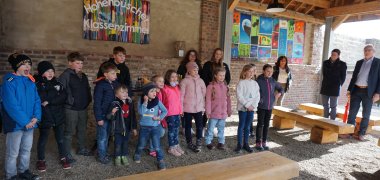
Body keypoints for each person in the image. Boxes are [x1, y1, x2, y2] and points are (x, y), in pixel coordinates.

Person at [2, 53, 41, 180]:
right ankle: (11, 175)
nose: (27, 66)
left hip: (30, 123)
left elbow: (36, 100)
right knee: (13, 153)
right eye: (24, 64)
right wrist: (25, 121)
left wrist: (36, 117)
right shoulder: (9, 82)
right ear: (16, 66)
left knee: (26, 149)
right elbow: (11, 105)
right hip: (16, 124)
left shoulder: (30, 81)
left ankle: (24, 171)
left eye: (29, 64)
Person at [34, 61, 70, 172]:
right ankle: (41, 160)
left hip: (58, 116)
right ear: (41, 73)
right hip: (46, 116)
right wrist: (51, 100)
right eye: (47, 71)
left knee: (60, 139)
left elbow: (64, 96)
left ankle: (63, 157)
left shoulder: (57, 83)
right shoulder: (38, 84)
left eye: (52, 71)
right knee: (43, 140)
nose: (50, 73)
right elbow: (41, 99)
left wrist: (49, 101)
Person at [59, 52, 92, 163]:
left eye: (81, 63)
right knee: (68, 132)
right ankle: (66, 154)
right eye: (77, 63)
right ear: (70, 63)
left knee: (82, 130)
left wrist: (88, 100)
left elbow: (87, 90)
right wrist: (69, 102)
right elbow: (60, 92)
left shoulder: (84, 76)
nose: (80, 65)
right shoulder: (65, 75)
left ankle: (81, 148)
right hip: (70, 109)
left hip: (82, 108)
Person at [344, 44, 380, 141]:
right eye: (365, 50)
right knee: (352, 113)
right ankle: (349, 132)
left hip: (369, 92)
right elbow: (354, 77)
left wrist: (378, 93)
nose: (366, 52)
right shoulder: (359, 62)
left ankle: (361, 133)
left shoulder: (378, 62)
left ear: (373, 51)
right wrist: (349, 90)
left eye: (369, 50)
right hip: (356, 90)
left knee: (366, 114)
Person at [134, 82, 168, 170]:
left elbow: (165, 111)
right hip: (144, 128)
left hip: (155, 127)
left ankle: (160, 160)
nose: (154, 93)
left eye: (155, 91)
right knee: (141, 144)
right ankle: (137, 154)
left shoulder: (157, 101)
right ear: (146, 93)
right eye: (152, 91)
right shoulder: (141, 101)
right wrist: (145, 102)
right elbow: (141, 112)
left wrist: (159, 118)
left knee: (157, 146)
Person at [93, 62, 120, 164]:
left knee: (107, 135)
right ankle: (101, 156)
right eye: (113, 73)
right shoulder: (100, 86)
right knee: (102, 137)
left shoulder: (115, 84)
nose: (115, 76)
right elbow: (97, 103)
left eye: (115, 73)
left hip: (111, 115)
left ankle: (103, 152)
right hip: (103, 116)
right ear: (105, 74)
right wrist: (99, 118)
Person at [201, 48, 231, 133]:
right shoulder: (208, 64)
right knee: (209, 107)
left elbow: (228, 78)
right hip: (211, 89)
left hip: (220, 90)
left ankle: (214, 128)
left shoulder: (224, 65)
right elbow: (204, 77)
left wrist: (222, 85)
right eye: (216, 53)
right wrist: (212, 85)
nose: (218, 55)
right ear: (214, 54)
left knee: (218, 110)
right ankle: (203, 126)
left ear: (222, 55)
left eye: (220, 54)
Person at [255, 64, 284, 151]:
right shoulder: (258, 81)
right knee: (260, 124)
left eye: (271, 72)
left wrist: (279, 93)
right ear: (263, 71)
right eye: (268, 71)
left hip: (270, 106)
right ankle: (258, 142)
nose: (269, 73)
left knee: (267, 125)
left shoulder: (273, 81)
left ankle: (264, 141)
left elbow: (281, 89)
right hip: (261, 106)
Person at [107, 85, 137, 166]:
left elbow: (133, 116)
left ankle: (123, 156)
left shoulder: (130, 103)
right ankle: (117, 157)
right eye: (122, 92)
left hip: (127, 128)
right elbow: (109, 117)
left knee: (125, 143)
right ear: (116, 95)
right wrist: (112, 112)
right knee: (118, 143)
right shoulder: (114, 104)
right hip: (118, 129)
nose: (125, 93)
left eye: (126, 92)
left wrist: (134, 128)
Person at [180, 62, 206, 153]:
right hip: (187, 109)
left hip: (198, 108)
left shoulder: (201, 81)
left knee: (199, 126)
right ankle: (189, 142)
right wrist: (181, 108)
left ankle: (199, 141)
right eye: (194, 70)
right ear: (189, 71)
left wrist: (203, 107)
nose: (196, 71)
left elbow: (204, 94)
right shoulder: (184, 81)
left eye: (197, 70)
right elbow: (181, 96)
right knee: (188, 126)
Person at [235, 64, 260, 153]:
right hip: (243, 108)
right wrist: (247, 105)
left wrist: (253, 106)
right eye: (249, 71)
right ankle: (239, 144)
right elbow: (239, 96)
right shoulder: (241, 83)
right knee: (241, 126)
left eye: (253, 71)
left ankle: (246, 143)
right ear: (245, 72)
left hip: (251, 109)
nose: (251, 73)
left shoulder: (255, 84)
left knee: (248, 126)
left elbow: (257, 96)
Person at [205, 67, 231, 150]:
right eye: (220, 75)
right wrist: (208, 111)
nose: (222, 77)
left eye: (223, 75)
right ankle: (208, 141)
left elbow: (228, 99)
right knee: (210, 128)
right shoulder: (210, 87)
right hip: (213, 112)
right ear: (215, 75)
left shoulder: (226, 87)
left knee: (221, 129)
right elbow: (208, 100)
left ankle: (221, 142)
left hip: (223, 113)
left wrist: (229, 110)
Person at [161, 70, 184, 156]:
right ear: (168, 78)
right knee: (171, 131)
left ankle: (176, 144)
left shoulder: (177, 87)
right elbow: (162, 101)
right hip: (169, 114)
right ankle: (171, 147)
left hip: (177, 113)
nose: (174, 78)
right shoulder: (165, 88)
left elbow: (179, 100)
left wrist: (181, 110)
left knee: (176, 130)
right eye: (172, 77)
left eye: (175, 77)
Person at [320, 49, 347, 120]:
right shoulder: (325, 62)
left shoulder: (342, 64)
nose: (333, 56)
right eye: (332, 54)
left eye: (335, 55)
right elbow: (324, 74)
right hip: (325, 86)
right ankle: (325, 120)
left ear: (338, 56)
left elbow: (343, 77)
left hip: (335, 87)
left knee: (333, 106)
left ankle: (332, 121)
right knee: (325, 105)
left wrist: (339, 84)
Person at [147, 75, 166, 157]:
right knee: (157, 132)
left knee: (161, 132)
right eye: (160, 81)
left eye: (163, 81)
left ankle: (153, 145)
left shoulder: (162, 92)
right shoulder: (152, 93)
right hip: (153, 117)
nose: (162, 83)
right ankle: (152, 149)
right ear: (154, 83)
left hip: (160, 116)